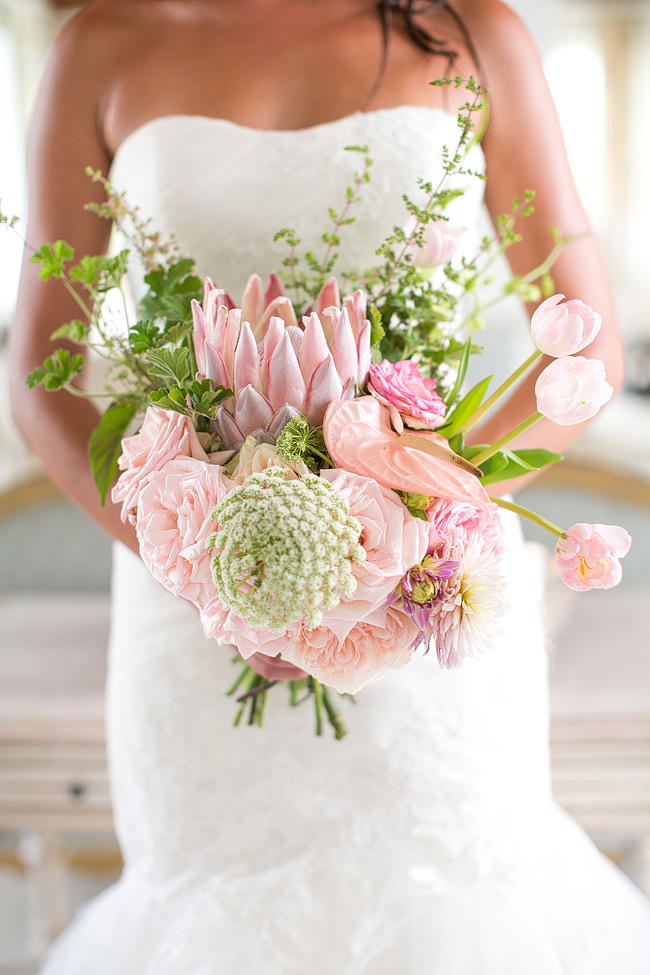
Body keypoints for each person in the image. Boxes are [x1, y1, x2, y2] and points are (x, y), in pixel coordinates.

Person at [9, 1, 650, 972]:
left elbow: (584, 341)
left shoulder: (472, 32)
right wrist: (210, 576)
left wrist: (415, 506)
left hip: (429, 593)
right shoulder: (102, 40)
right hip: (186, 606)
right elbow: (39, 383)